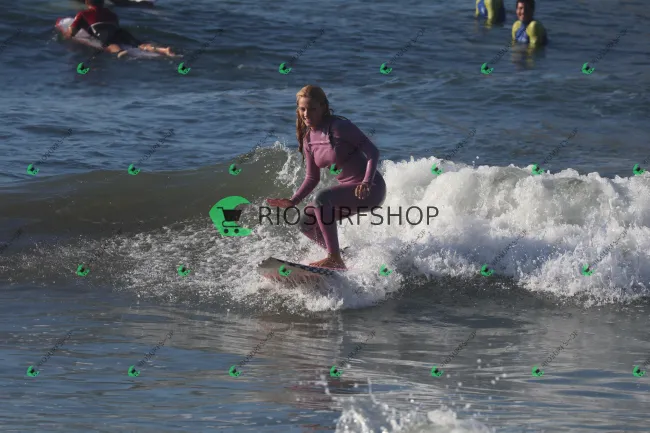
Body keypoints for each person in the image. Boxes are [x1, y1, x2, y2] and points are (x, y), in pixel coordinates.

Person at [266, 85, 386, 270]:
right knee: (305, 223)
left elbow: (373, 152)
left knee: (322, 198)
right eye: (302, 109)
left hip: (371, 189)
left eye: (312, 109)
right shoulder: (308, 140)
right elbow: (311, 178)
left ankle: (334, 257)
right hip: (349, 195)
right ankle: (342, 257)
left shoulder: (340, 127)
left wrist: (366, 182)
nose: (306, 114)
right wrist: (293, 201)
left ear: (323, 107)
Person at [63, 0, 174, 58]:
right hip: (118, 30)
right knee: (140, 44)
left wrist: (67, 35)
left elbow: (72, 31)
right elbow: (116, 24)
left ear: (87, 2)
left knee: (109, 44)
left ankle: (120, 51)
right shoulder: (111, 13)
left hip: (102, 31)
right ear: (103, 2)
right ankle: (163, 50)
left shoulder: (83, 13)